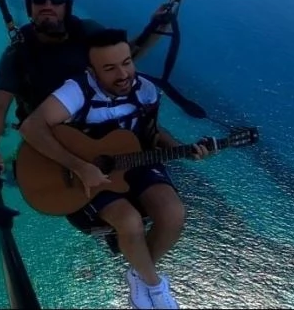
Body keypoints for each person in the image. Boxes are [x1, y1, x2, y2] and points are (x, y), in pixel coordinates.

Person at [18, 28, 209, 310]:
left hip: (133, 159)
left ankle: (139, 274)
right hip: (83, 169)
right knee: (129, 221)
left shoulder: (145, 91)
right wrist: (80, 166)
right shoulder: (76, 91)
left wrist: (183, 149)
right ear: (92, 72)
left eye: (126, 63)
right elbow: (31, 127)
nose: (122, 75)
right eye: (109, 68)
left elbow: (153, 133)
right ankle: (155, 287)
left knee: (173, 214)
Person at [0, 0, 169, 174]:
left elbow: (123, 57)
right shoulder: (19, 52)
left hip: (103, 123)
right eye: (39, 0)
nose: (47, 6)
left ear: (67, 5)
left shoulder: (87, 32)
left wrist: (157, 26)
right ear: (30, 6)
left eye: (56, 0)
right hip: (57, 137)